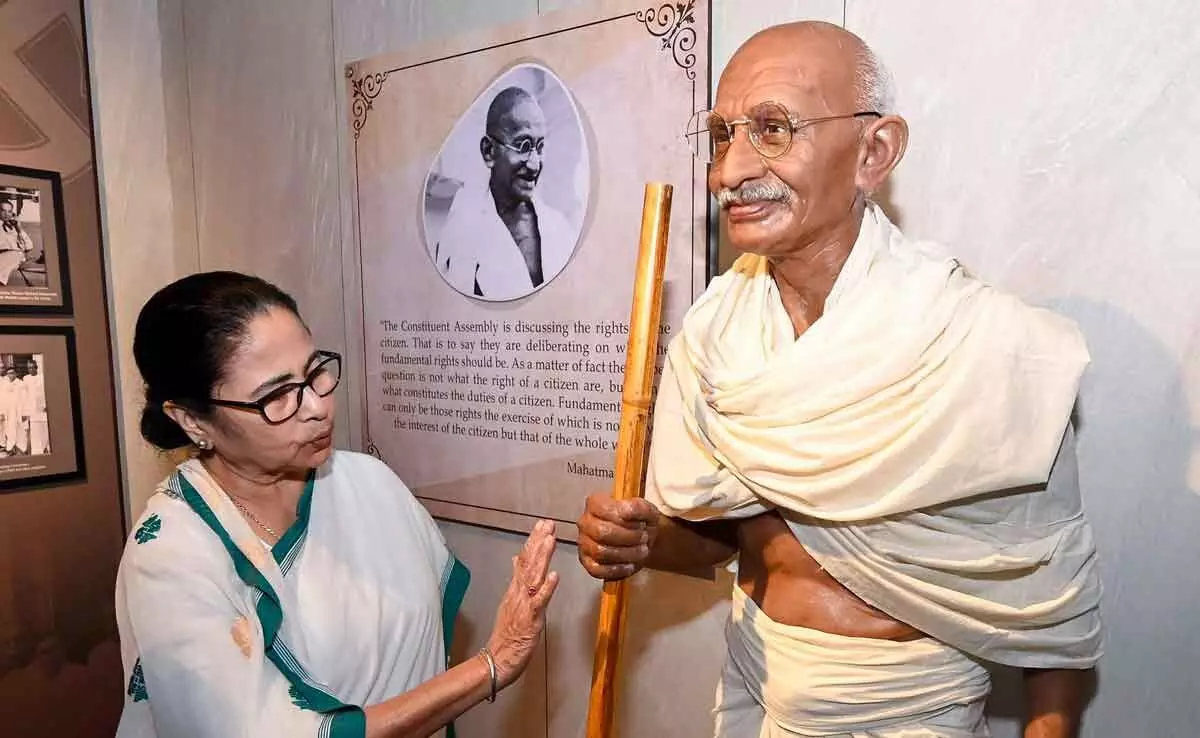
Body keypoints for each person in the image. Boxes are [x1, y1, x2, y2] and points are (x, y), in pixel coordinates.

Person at [577, 21, 1102, 738]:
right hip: (755, 690)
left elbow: (1051, 602)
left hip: (913, 713)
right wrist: (645, 543)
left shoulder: (979, 343)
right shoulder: (715, 337)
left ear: (873, 151)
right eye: (722, 135)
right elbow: (731, 537)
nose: (729, 172)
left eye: (772, 128)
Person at [116, 271, 560, 738]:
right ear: (191, 420)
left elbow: (417, 649)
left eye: (314, 372)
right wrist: (493, 664)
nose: (316, 406)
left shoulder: (367, 483)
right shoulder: (171, 554)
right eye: (276, 395)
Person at [436, 86, 575, 301]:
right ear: (489, 151)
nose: (534, 164)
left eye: (539, 147)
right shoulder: (460, 235)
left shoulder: (560, 230)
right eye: (523, 145)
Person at [0, 198, 35, 286]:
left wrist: (19, 230)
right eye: (3, 211)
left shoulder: (15, 228)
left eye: (9, 211)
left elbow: (29, 246)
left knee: (15, 254)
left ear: (13, 213)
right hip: (3, 255)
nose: (6, 214)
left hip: (17, 257)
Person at [22, 358, 48, 455]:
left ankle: (45, 448)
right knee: (35, 432)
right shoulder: (26, 378)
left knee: (45, 430)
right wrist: (25, 411)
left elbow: (46, 391)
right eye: (29, 368)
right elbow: (23, 394)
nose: (31, 370)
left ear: (36, 368)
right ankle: (37, 452)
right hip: (32, 410)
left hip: (43, 409)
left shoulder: (42, 377)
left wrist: (46, 404)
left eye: (32, 368)